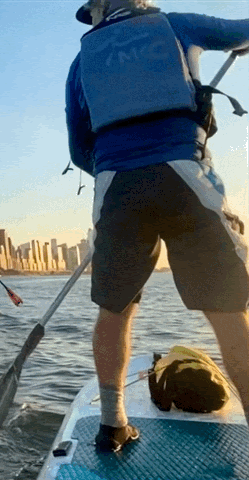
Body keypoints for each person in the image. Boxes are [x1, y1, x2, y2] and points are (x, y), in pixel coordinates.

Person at [66, 0, 249, 453]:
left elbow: (78, 149)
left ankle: (112, 427)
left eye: (90, 10)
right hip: (184, 177)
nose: (91, 19)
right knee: (228, 311)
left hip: (117, 188)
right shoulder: (176, 25)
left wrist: (119, 169)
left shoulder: (79, 63)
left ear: (102, 7)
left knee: (115, 310)